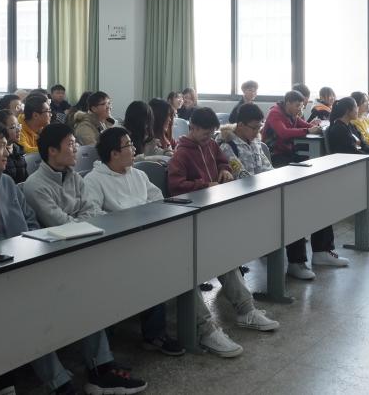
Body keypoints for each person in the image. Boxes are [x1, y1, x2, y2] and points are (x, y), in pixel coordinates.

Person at [0, 121, 147, 394]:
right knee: (30, 311)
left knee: (82, 290)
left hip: (25, 262)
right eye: (1, 146)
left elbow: (31, 224)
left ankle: (100, 369)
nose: (8, 151)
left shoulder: (8, 183)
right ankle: (60, 383)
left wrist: (25, 248)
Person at [166, 108, 280, 354]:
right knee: (198, 265)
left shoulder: (210, 145)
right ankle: (206, 329)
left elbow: (221, 161)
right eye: (205, 134)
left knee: (226, 258)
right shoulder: (181, 153)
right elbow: (176, 186)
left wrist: (225, 169)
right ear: (192, 128)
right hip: (191, 218)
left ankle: (246, 310)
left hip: (213, 214)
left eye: (211, 134)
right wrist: (205, 184)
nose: (209, 139)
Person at [84, 128, 188, 356]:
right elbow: (93, 215)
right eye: (128, 145)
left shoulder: (137, 174)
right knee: (151, 266)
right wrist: (130, 220)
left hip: (146, 237)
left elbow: (157, 199)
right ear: (114, 153)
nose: (133, 149)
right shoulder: (94, 180)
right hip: (116, 244)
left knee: (176, 258)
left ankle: (157, 332)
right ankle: (152, 334)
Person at [22, 123, 99, 226]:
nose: (76, 149)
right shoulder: (35, 186)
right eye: (70, 144)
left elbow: (91, 210)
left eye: (75, 143)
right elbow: (60, 223)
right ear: (52, 150)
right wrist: (84, 224)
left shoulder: (75, 177)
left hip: (88, 231)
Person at [263, 90, 320, 167]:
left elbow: (305, 125)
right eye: (297, 106)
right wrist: (308, 131)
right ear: (288, 104)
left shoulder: (292, 113)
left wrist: (318, 128)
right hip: (274, 153)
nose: (299, 109)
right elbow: (284, 133)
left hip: (287, 150)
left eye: (301, 106)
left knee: (310, 160)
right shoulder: (275, 113)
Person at [218, 103, 273, 178]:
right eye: (254, 128)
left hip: (261, 183)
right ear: (241, 125)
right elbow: (240, 175)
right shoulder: (228, 146)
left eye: (259, 127)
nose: (257, 132)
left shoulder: (255, 142)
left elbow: (268, 168)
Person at [0, 110, 28, 183]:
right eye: (13, 127)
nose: (18, 130)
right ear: (0, 130)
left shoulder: (19, 149)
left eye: (18, 125)